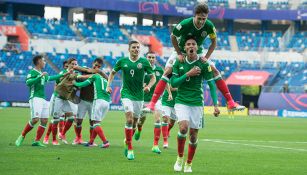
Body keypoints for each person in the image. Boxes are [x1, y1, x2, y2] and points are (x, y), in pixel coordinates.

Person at [144, 3, 245, 112]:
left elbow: (214, 42)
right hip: (182, 51)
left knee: (215, 71)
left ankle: (230, 102)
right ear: (194, 16)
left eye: (204, 19)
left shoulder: (209, 26)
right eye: (199, 18)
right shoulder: (185, 23)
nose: (202, 21)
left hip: (199, 52)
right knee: (167, 71)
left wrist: (206, 57)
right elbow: (173, 36)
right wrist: (178, 53)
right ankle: (152, 104)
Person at [171, 37, 220, 173]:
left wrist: (215, 105)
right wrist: (188, 73)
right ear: (184, 48)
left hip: (197, 103)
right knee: (183, 128)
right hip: (181, 101)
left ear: (197, 47)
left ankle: (189, 163)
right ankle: (180, 158)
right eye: (188, 44)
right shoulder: (178, 62)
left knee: (193, 135)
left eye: (193, 44)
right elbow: (173, 83)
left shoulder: (204, 64)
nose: (191, 46)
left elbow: (211, 84)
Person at [107, 40, 156, 160]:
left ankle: (127, 140)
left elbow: (153, 78)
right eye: (133, 47)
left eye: (138, 47)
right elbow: (112, 73)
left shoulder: (144, 62)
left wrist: (148, 87)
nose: (136, 49)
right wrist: (109, 85)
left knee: (134, 123)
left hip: (139, 96)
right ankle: (130, 148)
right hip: (126, 93)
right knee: (129, 119)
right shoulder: (122, 61)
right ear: (129, 49)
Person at [15, 55, 68, 147]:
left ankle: (37, 141)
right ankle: (22, 136)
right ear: (39, 61)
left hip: (43, 99)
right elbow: (28, 83)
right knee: (35, 119)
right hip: (35, 98)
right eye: (43, 61)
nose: (45, 62)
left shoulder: (42, 74)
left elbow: (52, 78)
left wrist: (64, 74)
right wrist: (39, 76)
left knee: (44, 120)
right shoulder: (32, 72)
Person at [134, 52, 165, 154]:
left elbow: (165, 82)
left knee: (157, 119)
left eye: (153, 57)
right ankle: (139, 129)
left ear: (155, 59)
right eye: (149, 57)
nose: (151, 59)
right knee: (140, 121)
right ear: (146, 58)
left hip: (155, 100)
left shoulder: (160, 70)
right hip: (143, 99)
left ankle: (155, 145)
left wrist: (169, 93)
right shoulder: (141, 69)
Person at [72, 58, 107, 145]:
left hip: (93, 102)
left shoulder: (99, 75)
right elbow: (77, 67)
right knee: (78, 121)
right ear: (92, 63)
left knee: (92, 122)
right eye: (95, 65)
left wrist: (100, 72)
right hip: (83, 100)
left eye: (99, 66)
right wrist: (89, 70)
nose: (96, 67)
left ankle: (91, 141)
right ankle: (78, 138)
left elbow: (108, 78)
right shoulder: (85, 70)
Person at [43, 60, 68, 145]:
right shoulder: (62, 73)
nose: (67, 68)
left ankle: (60, 135)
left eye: (68, 66)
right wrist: (56, 95)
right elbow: (56, 85)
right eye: (65, 66)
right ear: (63, 67)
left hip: (65, 98)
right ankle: (47, 137)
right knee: (55, 118)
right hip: (57, 97)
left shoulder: (72, 74)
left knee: (62, 117)